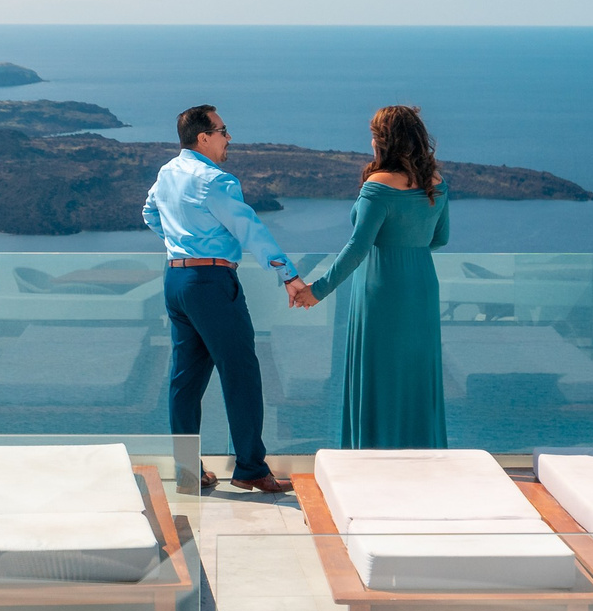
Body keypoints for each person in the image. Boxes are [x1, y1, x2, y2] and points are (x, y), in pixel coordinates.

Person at [144, 104, 302, 494]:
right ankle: (250, 468)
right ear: (204, 138)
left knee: (185, 379)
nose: (228, 137)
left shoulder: (167, 172)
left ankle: (188, 472)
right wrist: (288, 275)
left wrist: (180, 241)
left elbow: (150, 213)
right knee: (241, 373)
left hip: (176, 279)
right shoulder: (216, 181)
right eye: (223, 130)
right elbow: (250, 230)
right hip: (212, 282)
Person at [300, 105, 449, 449]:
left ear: (383, 140)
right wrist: (409, 246)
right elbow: (440, 238)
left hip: (382, 287)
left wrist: (317, 290)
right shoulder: (437, 183)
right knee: (417, 373)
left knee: (379, 373)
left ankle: (374, 455)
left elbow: (357, 247)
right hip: (422, 284)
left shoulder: (378, 185)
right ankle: (422, 454)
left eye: (373, 135)